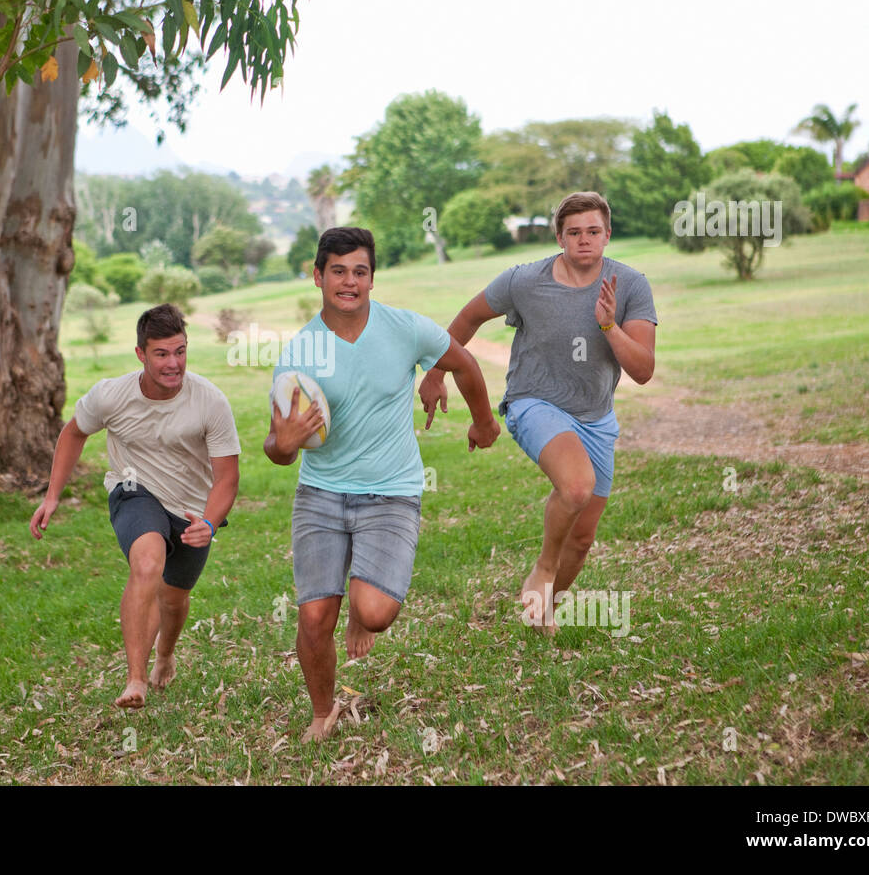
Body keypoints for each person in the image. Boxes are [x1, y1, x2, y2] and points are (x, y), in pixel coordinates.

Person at [265, 226, 500, 742]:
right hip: (320, 494)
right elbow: (275, 450)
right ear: (317, 275)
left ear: (372, 277)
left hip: (391, 491)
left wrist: (484, 422)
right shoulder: (301, 352)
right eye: (338, 271)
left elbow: (463, 363)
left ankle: (360, 602)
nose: (349, 282)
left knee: (375, 612)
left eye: (360, 271)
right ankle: (322, 712)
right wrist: (285, 444)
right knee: (313, 617)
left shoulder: (405, 329)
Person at [419, 191, 657, 633]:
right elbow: (468, 319)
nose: (584, 240)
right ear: (559, 237)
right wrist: (435, 373)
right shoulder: (525, 281)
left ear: (607, 234)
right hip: (534, 401)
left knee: (583, 538)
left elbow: (642, 370)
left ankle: (545, 606)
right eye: (574, 232)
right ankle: (543, 568)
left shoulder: (631, 285)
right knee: (576, 486)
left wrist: (609, 325)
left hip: (596, 417)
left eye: (593, 231)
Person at [30, 303, 240, 708]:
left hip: (192, 509)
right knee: (146, 563)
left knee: (174, 599)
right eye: (161, 353)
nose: (173, 363)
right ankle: (135, 679)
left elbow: (227, 478)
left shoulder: (210, 401)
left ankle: (165, 656)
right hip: (134, 489)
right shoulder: (111, 395)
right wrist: (52, 495)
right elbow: (73, 434)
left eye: (180, 351)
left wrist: (211, 523)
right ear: (141, 354)